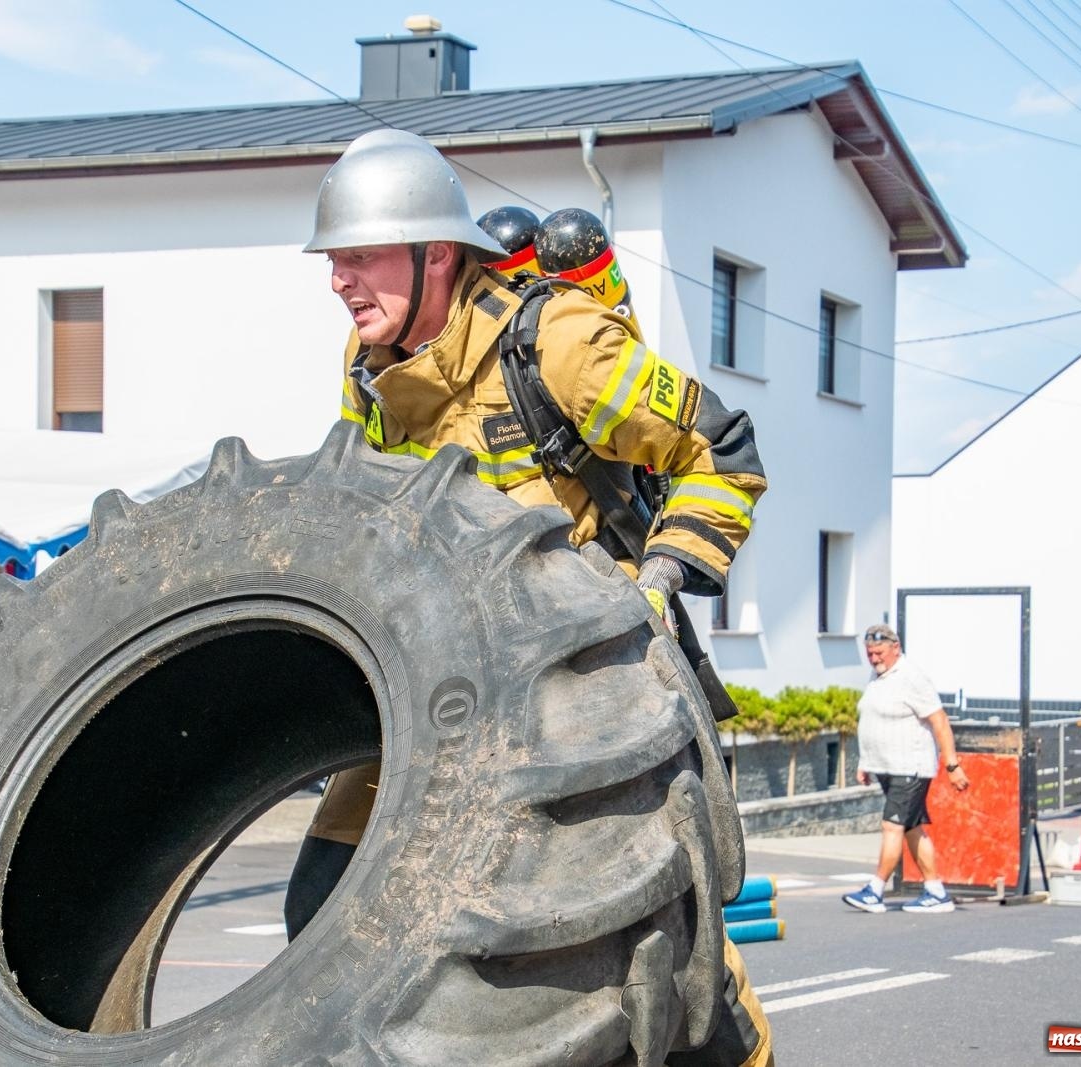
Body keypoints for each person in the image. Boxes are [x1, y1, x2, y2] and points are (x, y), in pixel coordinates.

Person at [291, 130, 771, 1065]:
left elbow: (722, 449)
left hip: (582, 702)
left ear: (438, 253)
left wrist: (662, 585)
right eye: (335, 260)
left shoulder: (558, 342)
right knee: (317, 906)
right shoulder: (369, 371)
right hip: (434, 697)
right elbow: (352, 520)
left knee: (655, 967)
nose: (340, 281)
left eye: (361, 257)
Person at [842, 623, 971, 915]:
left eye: (879, 653)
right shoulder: (877, 677)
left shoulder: (911, 677)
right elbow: (874, 720)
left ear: (895, 649)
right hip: (887, 767)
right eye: (870, 654)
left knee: (892, 826)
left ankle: (875, 890)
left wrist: (952, 765)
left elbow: (939, 721)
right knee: (913, 830)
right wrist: (866, 763)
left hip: (910, 768)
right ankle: (936, 891)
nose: (874, 659)